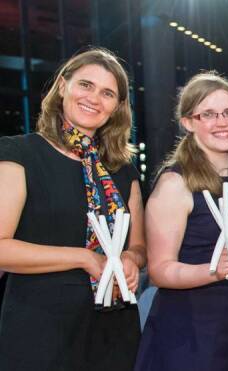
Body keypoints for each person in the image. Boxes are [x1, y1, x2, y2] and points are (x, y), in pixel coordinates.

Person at [0, 48, 146, 370]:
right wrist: (83, 257)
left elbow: (138, 245)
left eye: (107, 93)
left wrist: (131, 259)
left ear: (117, 107)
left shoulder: (123, 170)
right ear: (63, 86)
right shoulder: (20, 154)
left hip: (114, 330)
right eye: (86, 85)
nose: (94, 98)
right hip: (40, 329)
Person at [134, 72, 228, 370]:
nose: (222, 122)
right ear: (188, 122)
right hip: (190, 334)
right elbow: (160, 270)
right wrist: (209, 272)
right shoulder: (175, 184)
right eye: (209, 114)